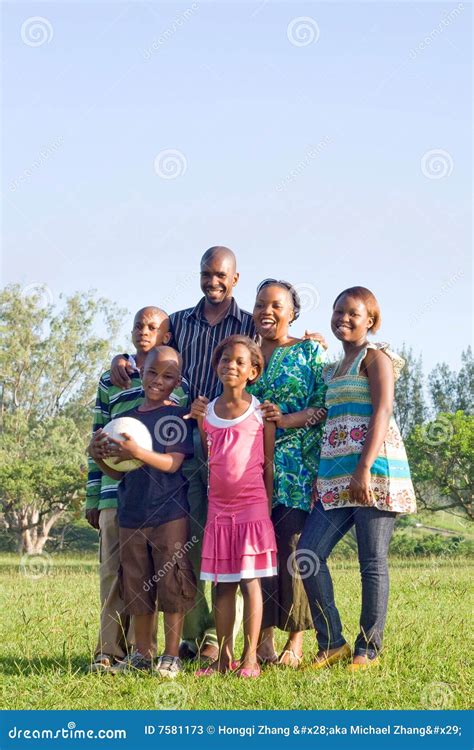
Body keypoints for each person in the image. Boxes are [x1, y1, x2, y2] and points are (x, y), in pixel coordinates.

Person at [299, 286, 417, 671]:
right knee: (308, 555)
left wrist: (363, 468)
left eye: (353, 313)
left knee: (371, 561)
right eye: (337, 312)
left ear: (371, 320)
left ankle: (368, 649)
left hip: (374, 471)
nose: (343, 319)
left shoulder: (376, 356)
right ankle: (331, 641)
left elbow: (382, 411)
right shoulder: (331, 369)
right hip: (335, 477)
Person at [85, 307, 188, 673]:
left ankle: (169, 653)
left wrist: (138, 452)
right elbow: (109, 457)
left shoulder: (179, 404)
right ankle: (126, 652)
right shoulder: (117, 393)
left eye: (154, 326)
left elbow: (175, 460)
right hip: (126, 504)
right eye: (139, 325)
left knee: (170, 581)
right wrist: (96, 472)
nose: (157, 380)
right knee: (129, 580)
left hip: (168, 509)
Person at [247, 280, 327, 668]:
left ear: (293, 312)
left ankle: (294, 642)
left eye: (276, 305)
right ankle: (261, 641)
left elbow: (322, 408)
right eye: (261, 304)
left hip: (297, 467)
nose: (267, 311)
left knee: (294, 549)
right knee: (258, 552)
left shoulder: (311, 351)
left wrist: (285, 420)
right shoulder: (244, 353)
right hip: (249, 467)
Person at [186, 335, 277, 678]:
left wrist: (265, 508)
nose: (231, 366)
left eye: (240, 361)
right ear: (217, 367)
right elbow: (210, 459)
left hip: (253, 509)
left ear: (253, 371)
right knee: (221, 584)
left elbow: (268, 464)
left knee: (249, 581)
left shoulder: (261, 412)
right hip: (218, 510)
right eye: (225, 360)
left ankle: (250, 657)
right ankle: (224, 659)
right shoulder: (205, 413)